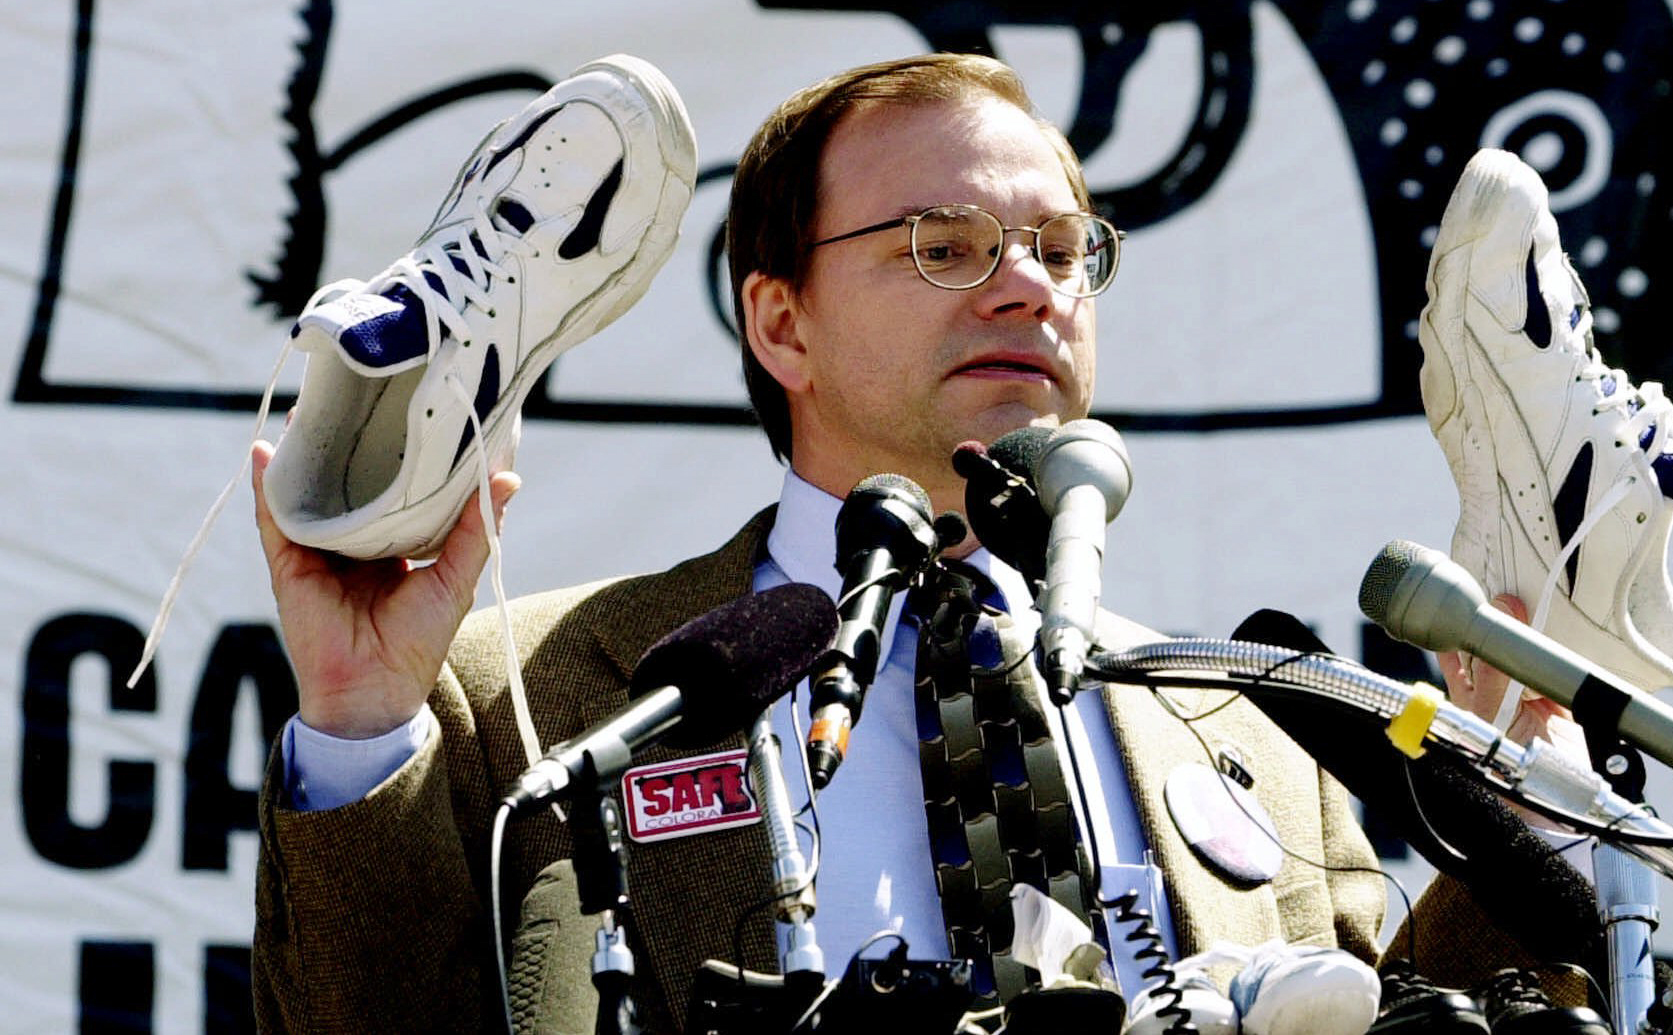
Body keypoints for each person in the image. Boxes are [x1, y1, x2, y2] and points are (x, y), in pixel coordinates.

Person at [251, 52, 1599, 1033]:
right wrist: (363, 720)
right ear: (781, 327)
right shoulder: (538, 698)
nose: (1025, 283)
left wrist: (1531, 812)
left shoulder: (1250, 732)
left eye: (1064, 251)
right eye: (940, 247)